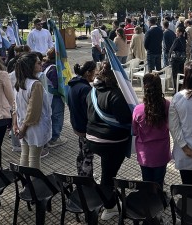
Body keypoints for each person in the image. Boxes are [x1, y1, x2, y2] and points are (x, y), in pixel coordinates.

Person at [86, 61, 132, 221]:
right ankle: (109, 205)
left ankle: (106, 191)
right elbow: (125, 118)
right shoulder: (116, 95)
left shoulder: (92, 91)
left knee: (107, 170)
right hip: (111, 142)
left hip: (92, 139)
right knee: (108, 175)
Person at [13, 53, 52, 169]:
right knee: (34, 158)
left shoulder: (19, 83)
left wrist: (15, 125)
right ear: (30, 66)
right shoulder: (35, 84)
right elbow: (33, 111)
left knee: (25, 156)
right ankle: (33, 184)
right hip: (33, 127)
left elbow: (15, 106)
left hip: (22, 125)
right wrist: (23, 130)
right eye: (38, 63)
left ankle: (25, 181)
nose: (42, 64)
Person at [132, 73, 172, 188]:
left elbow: (134, 131)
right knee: (159, 183)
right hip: (161, 153)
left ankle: (148, 203)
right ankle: (159, 201)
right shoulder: (167, 105)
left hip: (144, 154)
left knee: (147, 183)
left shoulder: (138, 110)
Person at [67, 61, 98, 177]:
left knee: (82, 152)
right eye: (94, 72)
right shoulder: (85, 89)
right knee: (88, 155)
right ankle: (86, 180)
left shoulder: (73, 84)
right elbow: (89, 111)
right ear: (88, 73)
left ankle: (80, 174)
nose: (95, 75)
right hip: (84, 127)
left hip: (76, 124)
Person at [43, 48, 66, 147]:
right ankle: (54, 138)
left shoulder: (45, 65)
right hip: (55, 96)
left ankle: (48, 137)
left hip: (47, 95)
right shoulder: (54, 69)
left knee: (50, 116)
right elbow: (58, 85)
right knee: (57, 116)